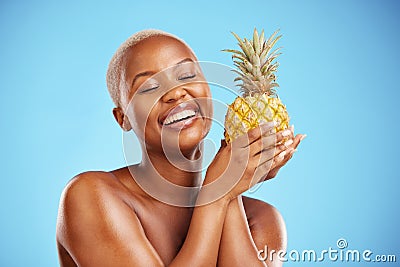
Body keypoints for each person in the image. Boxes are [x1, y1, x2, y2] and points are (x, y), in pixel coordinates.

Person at [56, 29, 306, 267]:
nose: (175, 93)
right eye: (149, 88)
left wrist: (229, 186)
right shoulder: (90, 196)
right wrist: (217, 194)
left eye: (187, 76)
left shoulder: (261, 219)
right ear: (124, 119)